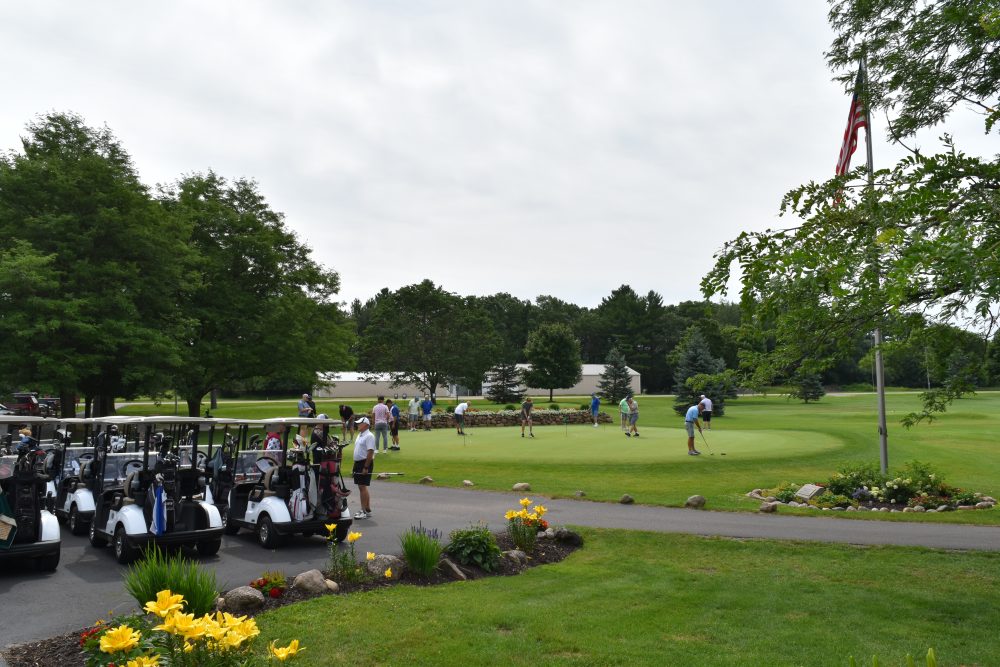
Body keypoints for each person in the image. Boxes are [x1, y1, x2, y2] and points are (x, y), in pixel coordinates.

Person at [351, 417, 375, 519]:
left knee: (362, 486)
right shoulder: (360, 435)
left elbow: (370, 452)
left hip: (364, 463)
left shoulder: (369, 436)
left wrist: (366, 467)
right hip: (358, 463)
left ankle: (363, 511)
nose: (357, 425)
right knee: (362, 486)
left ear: (365, 425)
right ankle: (367, 508)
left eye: (359, 423)